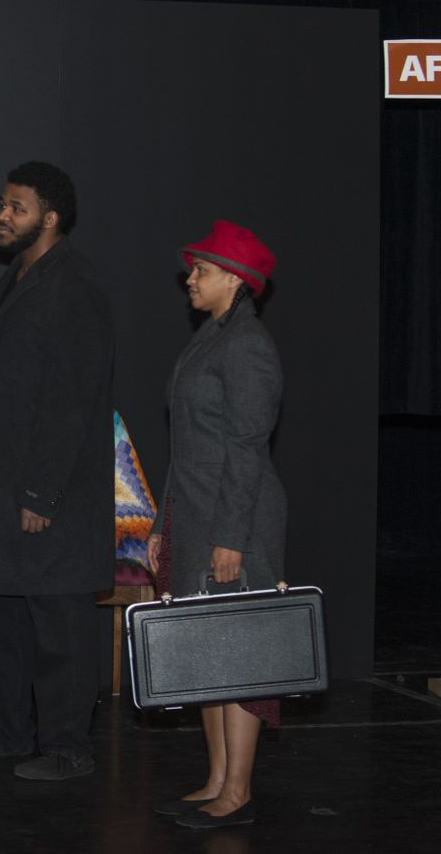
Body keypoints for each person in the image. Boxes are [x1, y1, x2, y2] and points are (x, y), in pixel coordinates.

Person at [0, 161, 115, 781]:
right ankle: (4, 732)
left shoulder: (75, 286)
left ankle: (67, 746)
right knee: (3, 617)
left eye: (16, 207)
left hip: (47, 497)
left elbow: (72, 400)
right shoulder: (20, 276)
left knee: (59, 623)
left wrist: (42, 490)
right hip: (0, 490)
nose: (2, 215)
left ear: (50, 216)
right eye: (2, 204)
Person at [146, 219, 285, 829]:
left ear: (234, 279)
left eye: (200, 270)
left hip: (239, 518)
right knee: (206, 654)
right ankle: (215, 780)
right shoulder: (208, 338)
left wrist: (232, 535)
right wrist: (162, 521)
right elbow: (185, 444)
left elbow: (249, 447)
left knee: (241, 657)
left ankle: (239, 793)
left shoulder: (248, 346)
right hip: (195, 512)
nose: (190, 278)